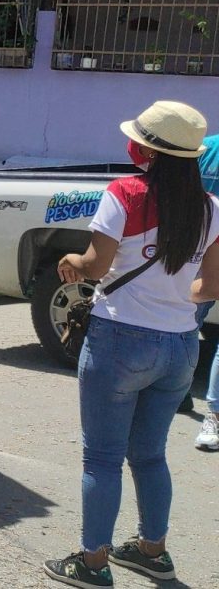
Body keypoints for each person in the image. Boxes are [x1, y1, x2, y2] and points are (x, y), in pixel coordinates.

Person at [43, 100, 219, 589]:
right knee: (150, 454)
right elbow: (211, 286)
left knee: (102, 458)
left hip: (120, 340)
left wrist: (73, 261)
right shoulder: (211, 208)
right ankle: (152, 552)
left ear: (150, 151)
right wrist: (174, 299)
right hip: (180, 345)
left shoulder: (124, 192)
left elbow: (95, 266)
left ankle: (92, 562)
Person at [192, 133, 219, 449]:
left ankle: (175, 394)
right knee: (183, 329)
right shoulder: (205, 148)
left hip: (196, 256)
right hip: (199, 255)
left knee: (184, 328)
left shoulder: (204, 147)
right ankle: (214, 415)